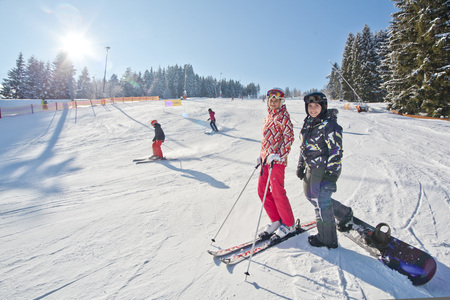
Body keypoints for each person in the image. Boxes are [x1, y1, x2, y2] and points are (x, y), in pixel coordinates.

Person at [297, 92, 353, 249]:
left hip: (325, 168)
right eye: (310, 106)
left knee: (321, 202)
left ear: (323, 106)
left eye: (316, 105)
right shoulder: (309, 122)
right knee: (310, 196)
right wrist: (301, 165)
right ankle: (344, 213)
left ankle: (327, 239)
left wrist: (330, 176)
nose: (313, 109)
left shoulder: (330, 125)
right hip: (310, 166)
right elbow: (304, 147)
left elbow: (336, 151)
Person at [257, 88, 296, 241]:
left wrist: (278, 155)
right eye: (271, 100)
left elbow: (289, 138)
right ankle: (276, 220)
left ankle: (289, 223)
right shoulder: (268, 117)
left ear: (281, 101)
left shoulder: (284, 117)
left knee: (278, 192)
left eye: (276, 100)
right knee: (262, 191)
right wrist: (261, 156)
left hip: (277, 162)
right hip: (266, 160)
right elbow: (266, 141)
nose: (273, 102)